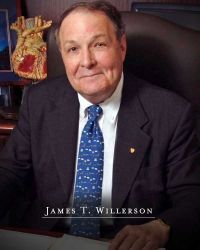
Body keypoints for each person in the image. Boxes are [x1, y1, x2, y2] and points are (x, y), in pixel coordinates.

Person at [0, 1, 200, 249]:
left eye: (99, 44)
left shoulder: (172, 113)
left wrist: (161, 226)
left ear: (122, 47)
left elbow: (192, 197)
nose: (86, 61)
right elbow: (9, 172)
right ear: (61, 54)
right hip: (49, 238)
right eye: (73, 49)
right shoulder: (39, 101)